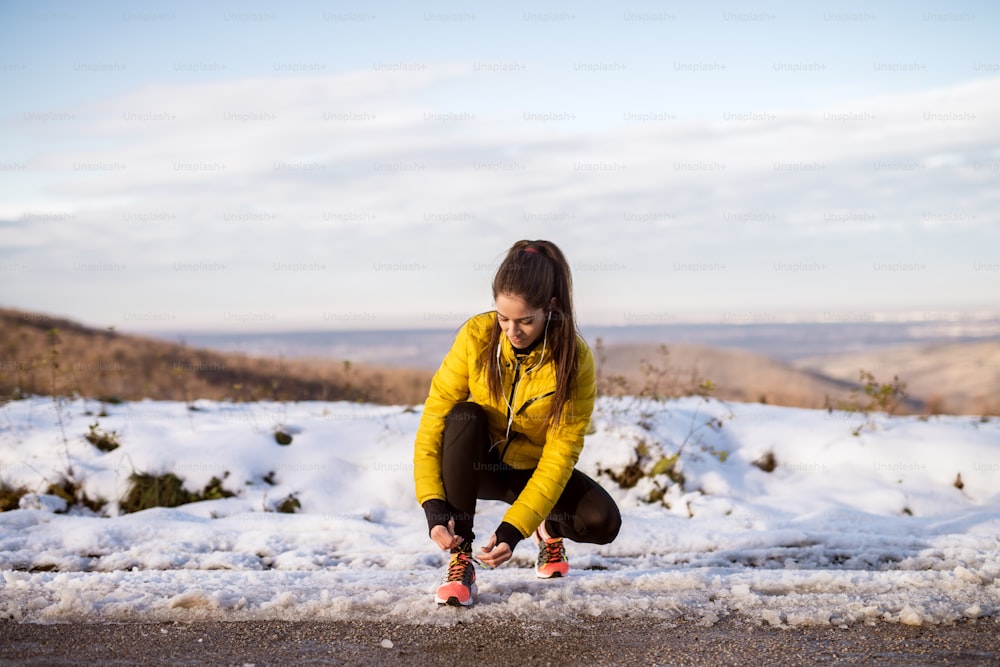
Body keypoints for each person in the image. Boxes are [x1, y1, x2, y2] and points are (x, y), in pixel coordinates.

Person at [413, 239, 622, 606]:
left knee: (602, 522)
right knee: (464, 415)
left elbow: (561, 453)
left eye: (525, 320)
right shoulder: (476, 337)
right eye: (503, 318)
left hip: (530, 470)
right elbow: (433, 419)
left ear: (550, 308)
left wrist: (515, 529)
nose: (512, 331)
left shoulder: (574, 360)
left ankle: (548, 527)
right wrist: (434, 507)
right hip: (479, 467)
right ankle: (461, 560)